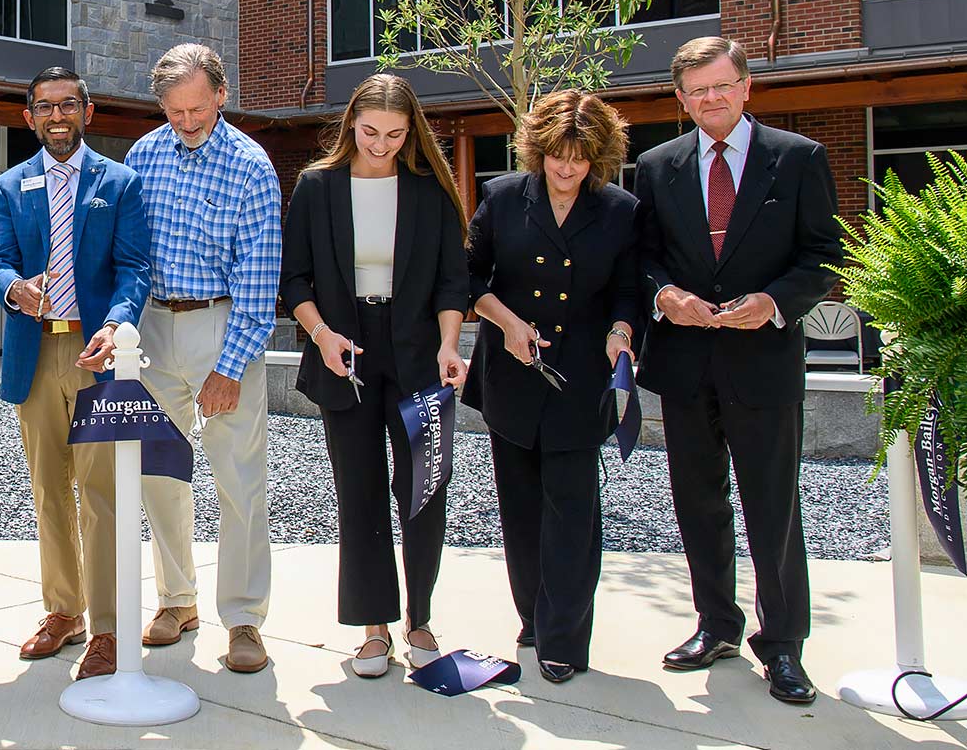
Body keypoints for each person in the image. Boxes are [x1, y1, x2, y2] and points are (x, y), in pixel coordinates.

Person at [634, 36, 842, 705]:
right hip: (687, 363)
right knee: (698, 503)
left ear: (746, 87)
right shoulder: (657, 165)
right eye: (697, 92)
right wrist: (664, 296)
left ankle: (783, 645)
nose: (711, 100)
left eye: (722, 87)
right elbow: (643, 258)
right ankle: (716, 625)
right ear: (681, 99)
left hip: (764, 362)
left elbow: (823, 254)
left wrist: (776, 303)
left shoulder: (798, 158)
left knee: (772, 509)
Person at [279, 73, 468, 679]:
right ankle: (372, 628)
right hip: (346, 355)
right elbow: (296, 279)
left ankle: (420, 620)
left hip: (418, 356)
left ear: (411, 131)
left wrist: (448, 344)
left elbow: (450, 280)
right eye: (369, 132)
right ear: (350, 124)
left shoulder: (430, 190)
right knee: (359, 493)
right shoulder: (317, 186)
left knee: (422, 492)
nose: (381, 144)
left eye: (394, 133)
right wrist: (322, 334)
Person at [463, 90, 640, 684]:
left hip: (581, 380)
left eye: (580, 158)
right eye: (557, 156)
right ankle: (533, 619)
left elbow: (628, 293)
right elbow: (467, 279)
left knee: (572, 513)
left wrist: (620, 331)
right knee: (519, 510)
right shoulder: (502, 198)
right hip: (512, 375)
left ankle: (564, 636)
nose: (567, 169)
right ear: (538, 150)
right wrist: (508, 323)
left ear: (599, 157)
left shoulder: (619, 210)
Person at [0, 66, 151, 681]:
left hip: (95, 354)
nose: (58, 116)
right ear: (28, 116)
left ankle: (105, 627)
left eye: (69, 105)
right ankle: (63, 611)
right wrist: (13, 289)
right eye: (45, 107)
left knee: (100, 493)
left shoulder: (120, 183)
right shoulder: (9, 187)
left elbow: (134, 269)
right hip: (36, 352)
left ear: (88, 111)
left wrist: (116, 323)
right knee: (48, 490)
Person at [124, 43, 281, 675]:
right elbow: (130, 253)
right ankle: (176, 599)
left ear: (221, 93)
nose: (186, 121)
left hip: (223, 326)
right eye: (173, 109)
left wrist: (231, 366)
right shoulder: (143, 154)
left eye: (196, 107)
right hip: (154, 328)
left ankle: (243, 618)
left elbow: (259, 278)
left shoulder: (251, 166)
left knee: (240, 480)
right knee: (157, 473)